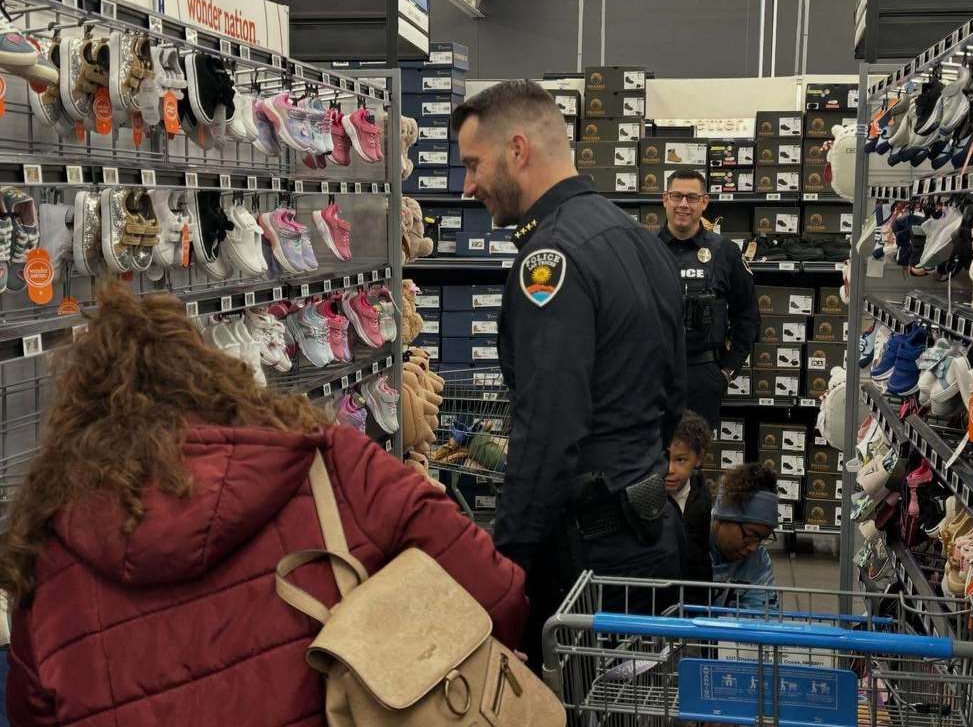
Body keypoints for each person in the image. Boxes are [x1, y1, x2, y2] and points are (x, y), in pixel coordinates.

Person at [0, 284, 528, 726]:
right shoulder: (336, 467)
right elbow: (498, 593)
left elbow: (31, 712)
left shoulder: (46, 559)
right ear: (215, 377)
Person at [452, 80, 688, 664]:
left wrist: (504, 566)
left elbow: (548, 432)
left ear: (517, 150)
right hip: (651, 538)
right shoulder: (638, 240)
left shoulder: (549, 260)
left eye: (473, 164)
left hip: (584, 564)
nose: (467, 185)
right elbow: (672, 393)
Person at [659, 170, 759, 431]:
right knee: (646, 461)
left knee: (693, 463)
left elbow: (747, 315)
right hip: (652, 375)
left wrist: (727, 371)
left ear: (704, 202)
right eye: (677, 196)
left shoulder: (724, 251)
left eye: (691, 198)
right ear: (665, 199)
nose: (683, 204)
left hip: (702, 373)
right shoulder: (644, 248)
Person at [709, 462, 780, 611]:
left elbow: (765, 618)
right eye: (751, 535)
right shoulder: (687, 543)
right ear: (724, 517)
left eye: (761, 539)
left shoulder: (758, 562)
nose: (753, 547)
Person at [666, 410, 713, 581]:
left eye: (680, 460)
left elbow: (700, 556)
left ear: (699, 458)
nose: (669, 469)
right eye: (664, 458)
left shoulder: (701, 497)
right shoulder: (645, 497)